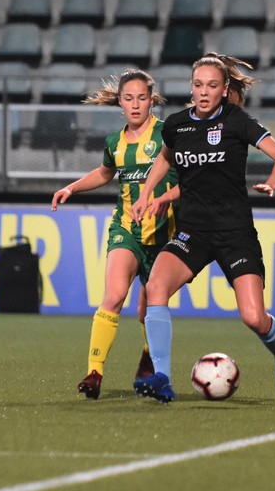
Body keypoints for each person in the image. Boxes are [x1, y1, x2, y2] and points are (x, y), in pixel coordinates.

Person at [130, 53, 275, 405]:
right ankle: (161, 376)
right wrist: (146, 192)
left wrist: (272, 183)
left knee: (253, 317)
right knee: (155, 287)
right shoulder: (177, 125)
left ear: (224, 91)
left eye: (211, 86)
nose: (203, 92)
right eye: (198, 85)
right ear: (191, 88)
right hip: (194, 233)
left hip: (235, 233)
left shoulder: (237, 122)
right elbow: (165, 157)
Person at [51, 69, 179, 400]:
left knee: (148, 308)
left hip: (165, 234)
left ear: (152, 100)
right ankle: (94, 372)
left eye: (141, 98)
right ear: (119, 102)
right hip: (127, 229)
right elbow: (105, 173)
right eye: (128, 98)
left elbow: (192, 177)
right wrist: (72, 187)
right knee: (114, 295)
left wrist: (166, 199)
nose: (135, 105)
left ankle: (149, 359)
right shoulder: (115, 143)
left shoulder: (171, 135)